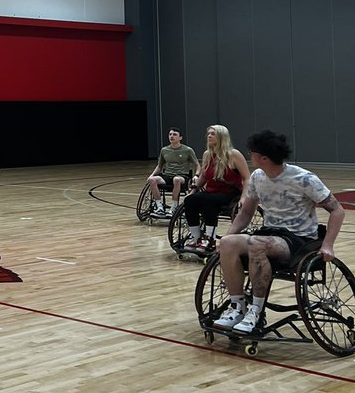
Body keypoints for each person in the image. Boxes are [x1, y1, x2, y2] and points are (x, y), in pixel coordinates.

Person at [214, 130, 344, 334]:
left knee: (257, 244)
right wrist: (229, 235)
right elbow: (246, 212)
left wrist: (327, 244)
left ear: (263, 158)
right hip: (269, 233)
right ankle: (237, 306)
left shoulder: (304, 179)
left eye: (252, 152)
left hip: (299, 240)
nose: (249, 155)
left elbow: (337, 210)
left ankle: (256, 311)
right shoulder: (258, 177)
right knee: (228, 243)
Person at [180, 124, 250, 254]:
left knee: (208, 200)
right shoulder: (207, 155)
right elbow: (203, 177)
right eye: (209, 133)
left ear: (221, 137)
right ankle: (196, 237)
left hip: (229, 193)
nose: (209, 136)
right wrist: (193, 191)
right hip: (212, 191)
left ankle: (210, 238)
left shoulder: (234, 155)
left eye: (213, 134)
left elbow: (247, 178)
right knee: (190, 200)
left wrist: (244, 197)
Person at [146, 128, 199, 217]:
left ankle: (174, 207)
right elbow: (159, 166)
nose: (171, 136)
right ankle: (159, 207)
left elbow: (197, 165)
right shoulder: (164, 150)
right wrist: (151, 175)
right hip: (167, 175)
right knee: (152, 180)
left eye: (174, 134)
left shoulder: (188, 150)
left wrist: (196, 175)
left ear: (180, 138)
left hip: (182, 176)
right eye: (170, 134)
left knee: (176, 179)